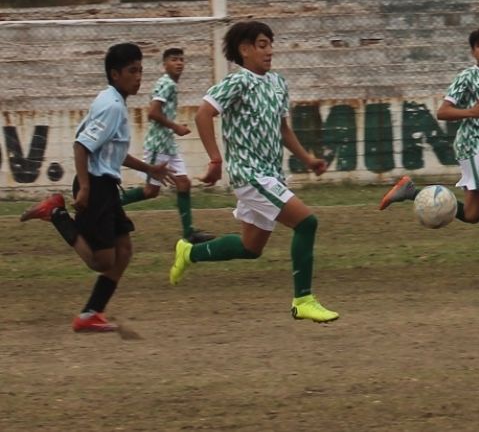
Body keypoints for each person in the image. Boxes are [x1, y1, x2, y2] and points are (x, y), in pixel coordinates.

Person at [169, 21, 338, 323]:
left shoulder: (278, 83)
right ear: (244, 50)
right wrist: (215, 159)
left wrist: (307, 159)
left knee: (251, 247)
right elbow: (204, 113)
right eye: (262, 45)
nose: (269, 51)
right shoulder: (238, 81)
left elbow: (282, 129)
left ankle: (189, 253)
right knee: (306, 222)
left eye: (271, 44)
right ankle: (303, 300)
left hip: (270, 175)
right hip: (250, 175)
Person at [20, 43, 173, 332]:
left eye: (140, 70)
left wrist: (149, 169)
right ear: (115, 74)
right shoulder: (112, 106)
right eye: (132, 71)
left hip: (106, 185)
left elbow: (112, 152)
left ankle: (90, 314)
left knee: (123, 250)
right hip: (96, 185)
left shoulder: (112, 100)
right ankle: (56, 214)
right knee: (102, 261)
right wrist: (86, 188)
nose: (138, 77)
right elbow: (81, 146)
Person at [378, 25, 479, 285]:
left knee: (472, 214)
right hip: (471, 146)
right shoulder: (467, 77)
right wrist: (470, 112)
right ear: (473, 52)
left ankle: (410, 191)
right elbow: (443, 112)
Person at [119, 47, 213, 244]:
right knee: (150, 191)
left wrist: (174, 127)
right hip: (158, 145)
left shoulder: (169, 84)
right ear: (164, 64)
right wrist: (175, 127)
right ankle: (107, 205)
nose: (179, 63)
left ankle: (189, 233)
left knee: (183, 183)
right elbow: (153, 112)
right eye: (174, 59)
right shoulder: (166, 84)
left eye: (181, 60)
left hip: (168, 145)